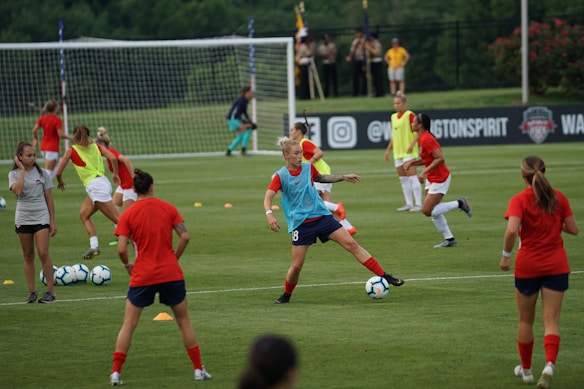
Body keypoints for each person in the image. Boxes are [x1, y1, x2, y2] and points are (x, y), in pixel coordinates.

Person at [264, 137, 404, 304]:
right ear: (286, 155)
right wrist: (269, 213)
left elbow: (322, 178)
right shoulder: (281, 176)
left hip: (322, 217)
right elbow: (268, 196)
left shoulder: (308, 168)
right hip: (301, 224)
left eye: (301, 152)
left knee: (352, 244)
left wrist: (343, 177)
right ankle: (286, 295)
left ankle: (385, 276)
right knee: (296, 267)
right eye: (296, 153)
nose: (300, 156)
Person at [109, 169, 211, 385]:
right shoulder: (168, 208)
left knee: (129, 324)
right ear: (152, 187)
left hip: (142, 275)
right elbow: (185, 235)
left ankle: (116, 372)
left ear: (135, 190)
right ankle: (198, 369)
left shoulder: (128, 214)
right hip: (170, 273)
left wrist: (128, 265)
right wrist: (174, 257)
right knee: (184, 322)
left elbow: (120, 249)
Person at [500, 156, 578, 388]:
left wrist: (505, 256)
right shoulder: (558, 197)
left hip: (528, 265)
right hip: (556, 264)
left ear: (523, 175)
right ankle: (550, 364)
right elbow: (573, 229)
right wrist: (555, 223)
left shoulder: (519, 200)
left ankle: (526, 371)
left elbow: (512, 230)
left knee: (526, 320)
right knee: (551, 321)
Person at [403, 113, 472, 248]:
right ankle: (449, 239)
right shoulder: (421, 138)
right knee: (433, 211)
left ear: (420, 125)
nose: (412, 124)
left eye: (414, 122)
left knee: (428, 211)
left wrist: (423, 171)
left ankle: (460, 203)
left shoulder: (426, 139)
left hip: (440, 178)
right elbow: (427, 159)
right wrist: (412, 163)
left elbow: (440, 158)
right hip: (432, 178)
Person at [55, 125, 120, 259]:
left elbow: (58, 172)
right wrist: (115, 174)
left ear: (74, 136)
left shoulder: (71, 150)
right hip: (103, 182)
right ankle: (94, 246)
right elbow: (113, 158)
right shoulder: (96, 146)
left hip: (95, 187)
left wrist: (60, 181)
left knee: (119, 221)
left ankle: (142, 238)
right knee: (84, 215)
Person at [8, 142, 57, 303]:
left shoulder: (43, 173)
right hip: (23, 218)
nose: (32, 158)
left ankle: (50, 291)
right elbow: (18, 191)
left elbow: (49, 198)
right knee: (28, 255)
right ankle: (32, 292)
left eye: (34, 155)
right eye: (28, 155)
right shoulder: (14, 175)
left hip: (41, 216)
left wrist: (52, 221)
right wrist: (22, 171)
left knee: (43, 253)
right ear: (19, 157)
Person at [289, 121, 356, 235]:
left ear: (299, 131)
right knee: (325, 207)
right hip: (323, 173)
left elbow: (319, 153)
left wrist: (309, 164)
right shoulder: (300, 144)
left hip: (320, 175)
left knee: (310, 202)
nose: (290, 132)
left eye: (292, 130)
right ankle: (348, 228)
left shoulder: (304, 143)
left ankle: (337, 207)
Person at [384, 92, 423, 212]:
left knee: (412, 177)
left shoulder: (410, 115)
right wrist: (388, 150)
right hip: (398, 152)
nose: (396, 105)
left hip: (409, 152)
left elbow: (419, 132)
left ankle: (419, 204)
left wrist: (412, 145)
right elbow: (394, 135)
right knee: (403, 179)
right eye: (394, 103)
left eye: (398, 103)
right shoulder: (393, 117)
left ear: (404, 103)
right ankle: (409, 203)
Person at [95, 127, 136, 212]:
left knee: (128, 216)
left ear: (102, 145)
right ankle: (119, 226)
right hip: (123, 185)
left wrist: (133, 177)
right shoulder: (108, 154)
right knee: (114, 210)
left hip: (129, 185)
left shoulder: (111, 152)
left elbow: (126, 160)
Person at [31, 99, 72, 179]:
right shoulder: (57, 120)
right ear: (56, 108)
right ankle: (40, 186)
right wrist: (71, 137)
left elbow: (34, 130)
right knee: (49, 171)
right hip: (52, 148)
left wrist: (36, 139)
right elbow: (61, 135)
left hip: (43, 146)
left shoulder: (42, 118)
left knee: (57, 165)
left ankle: (43, 184)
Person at [226, 86, 256, 156]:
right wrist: (245, 122)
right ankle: (243, 150)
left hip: (234, 119)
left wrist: (249, 120)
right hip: (233, 119)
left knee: (240, 136)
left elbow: (244, 112)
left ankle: (229, 151)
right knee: (248, 129)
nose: (252, 94)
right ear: (247, 92)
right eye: (251, 92)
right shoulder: (241, 101)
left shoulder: (245, 100)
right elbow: (236, 113)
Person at [344, 28, 367, 96]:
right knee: (355, 76)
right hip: (357, 59)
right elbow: (352, 50)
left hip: (363, 59)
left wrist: (362, 43)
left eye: (359, 33)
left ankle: (364, 92)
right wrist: (350, 56)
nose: (358, 34)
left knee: (364, 77)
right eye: (357, 33)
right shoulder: (355, 41)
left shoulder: (365, 40)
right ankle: (355, 92)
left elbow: (366, 49)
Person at [365, 32, 385, 97]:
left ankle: (380, 92)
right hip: (373, 61)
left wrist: (369, 48)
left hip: (377, 61)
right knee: (374, 78)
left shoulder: (377, 43)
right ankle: (376, 92)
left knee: (378, 78)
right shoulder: (371, 43)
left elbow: (376, 53)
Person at [296, 30, 313, 100]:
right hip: (303, 64)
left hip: (307, 64)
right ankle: (302, 95)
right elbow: (308, 54)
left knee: (307, 81)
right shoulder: (303, 46)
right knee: (303, 81)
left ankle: (307, 95)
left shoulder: (305, 46)